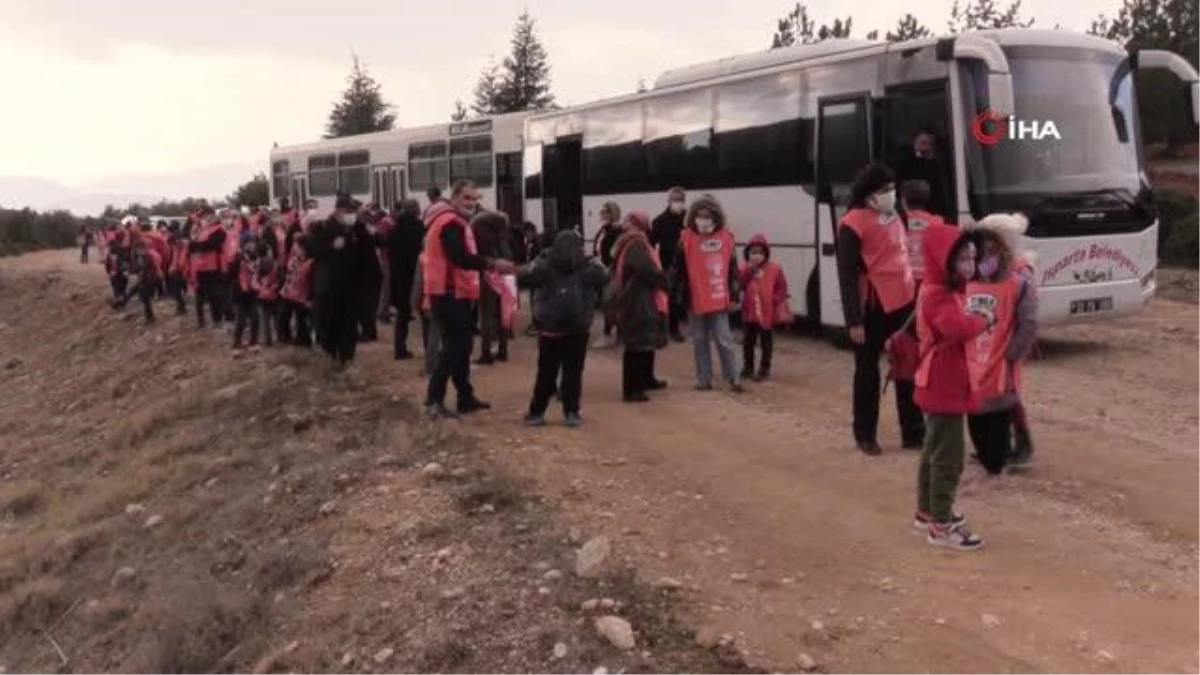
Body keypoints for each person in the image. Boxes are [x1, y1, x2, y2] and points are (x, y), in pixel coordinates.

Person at [913, 223, 994, 551]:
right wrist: (984, 320)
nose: (969, 266)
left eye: (972, 259)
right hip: (943, 383)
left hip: (938, 381)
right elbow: (958, 328)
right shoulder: (938, 295)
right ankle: (941, 524)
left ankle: (928, 510)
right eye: (962, 259)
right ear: (943, 260)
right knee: (948, 456)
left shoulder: (943, 290)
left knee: (934, 449)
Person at [836, 163, 924, 456]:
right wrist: (854, 321)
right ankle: (865, 434)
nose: (890, 193)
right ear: (869, 194)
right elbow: (846, 275)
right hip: (872, 305)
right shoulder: (851, 223)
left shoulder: (894, 211)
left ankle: (913, 432)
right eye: (883, 189)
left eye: (891, 188)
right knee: (867, 372)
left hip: (904, 299)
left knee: (907, 367)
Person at [423, 180, 516, 418]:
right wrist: (492, 263)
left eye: (475, 200)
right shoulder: (450, 223)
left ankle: (464, 397)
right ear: (453, 197)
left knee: (461, 348)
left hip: (451, 292)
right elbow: (459, 257)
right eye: (467, 198)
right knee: (455, 348)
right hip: (448, 293)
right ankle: (434, 400)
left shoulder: (449, 221)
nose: (472, 204)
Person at [964, 215, 1038, 478]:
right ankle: (1003, 446)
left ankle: (1019, 443)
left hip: (1004, 351)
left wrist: (1011, 353)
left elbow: (1027, 320)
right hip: (987, 352)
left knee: (1008, 395)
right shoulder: (981, 272)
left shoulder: (1020, 273)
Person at [520, 229, 610, 427]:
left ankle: (536, 413)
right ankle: (571, 412)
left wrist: (539, 258)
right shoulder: (588, 267)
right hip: (577, 329)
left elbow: (524, 276)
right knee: (573, 373)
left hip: (550, 330)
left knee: (545, 373)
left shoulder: (546, 266)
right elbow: (605, 277)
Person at [672, 194, 744, 393]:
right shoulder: (685, 238)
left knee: (724, 339)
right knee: (700, 340)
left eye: (707, 215)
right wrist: (675, 293)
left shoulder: (726, 238)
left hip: (719, 298)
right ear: (694, 216)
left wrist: (736, 296)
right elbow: (677, 269)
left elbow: (733, 270)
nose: (703, 219)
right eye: (700, 215)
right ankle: (704, 379)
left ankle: (733, 378)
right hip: (694, 299)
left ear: (715, 216)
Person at [609, 211, 670, 403]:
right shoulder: (635, 243)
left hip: (637, 297)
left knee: (645, 340)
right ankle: (632, 389)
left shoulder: (629, 241)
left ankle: (646, 379)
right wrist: (664, 281)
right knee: (636, 343)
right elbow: (644, 268)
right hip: (637, 298)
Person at [308, 193, 365, 368]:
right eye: (349, 210)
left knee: (349, 323)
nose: (352, 214)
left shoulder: (354, 228)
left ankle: (347, 356)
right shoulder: (323, 227)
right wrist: (331, 247)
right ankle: (330, 354)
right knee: (330, 322)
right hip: (330, 286)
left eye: (354, 211)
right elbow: (312, 250)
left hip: (350, 285)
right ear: (339, 210)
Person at [738, 234, 789, 382]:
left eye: (760, 252)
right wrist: (749, 270)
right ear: (747, 253)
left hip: (767, 313)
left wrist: (775, 302)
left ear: (766, 254)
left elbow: (781, 289)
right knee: (748, 342)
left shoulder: (775, 269)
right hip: (749, 313)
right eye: (753, 252)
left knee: (766, 343)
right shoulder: (743, 268)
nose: (757, 256)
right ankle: (748, 368)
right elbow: (739, 284)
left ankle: (764, 369)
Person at [470, 210, 515, 364]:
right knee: (503, 313)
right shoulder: (503, 232)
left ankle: (486, 352)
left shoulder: (478, 231)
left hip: (489, 274)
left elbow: (474, 255)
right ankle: (503, 350)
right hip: (506, 274)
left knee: (486, 315)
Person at [388, 199, 426, 360]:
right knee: (425, 313)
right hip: (416, 275)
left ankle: (399, 349)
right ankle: (429, 349)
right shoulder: (420, 228)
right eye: (418, 207)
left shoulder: (394, 229)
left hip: (399, 277)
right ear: (415, 210)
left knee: (402, 315)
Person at [650, 187, 688, 342]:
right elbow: (652, 244)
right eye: (675, 199)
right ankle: (670, 330)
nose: (678, 202)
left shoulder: (688, 219)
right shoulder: (659, 221)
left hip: (686, 263)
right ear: (669, 201)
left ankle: (677, 324)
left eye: (680, 199)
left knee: (681, 299)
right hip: (668, 265)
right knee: (668, 299)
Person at [895, 129, 951, 221]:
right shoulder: (906, 163)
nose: (926, 147)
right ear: (914, 143)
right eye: (923, 143)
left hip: (936, 210)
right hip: (913, 208)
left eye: (930, 143)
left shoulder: (940, 163)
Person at [900, 180, 945, 290]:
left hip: (905, 281)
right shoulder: (938, 222)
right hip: (929, 280)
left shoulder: (897, 222)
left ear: (903, 201)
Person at [188, 209, 229, 329]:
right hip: (201, 267)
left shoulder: (220, 230)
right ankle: (201, 321)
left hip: (214, 267)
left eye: (209, 216)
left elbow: (211, 245)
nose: (206, 219)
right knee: (200, 294)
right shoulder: (201, 231)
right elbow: (192, 247)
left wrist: (196, 245)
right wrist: (195, 244)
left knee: (215, 296)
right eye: (204, 217)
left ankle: (217, 320)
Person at [592, 201, 623, 348]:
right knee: (607, 304)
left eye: (606, 211)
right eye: (602, 211)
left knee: (609, 303)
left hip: (611, 271)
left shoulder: (617, 231)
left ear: (613, 213)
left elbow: (616, 252)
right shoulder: (603, 230)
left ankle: (609, 334)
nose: (602, 214)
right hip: (601, 270)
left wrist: (610, 267)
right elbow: (598, 249)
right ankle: (614, 333)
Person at [351, 206, 384, 343]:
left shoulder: (355, 231)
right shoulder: (369, 230)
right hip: (373, 272)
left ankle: (367, 331)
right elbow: (382, 242)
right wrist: (376, 233)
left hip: (362, 274)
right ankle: (371, 331)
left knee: (363, 305)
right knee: (371, 303)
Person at [278, 233, 314, 348]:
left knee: (301, 320)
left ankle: (303, 341)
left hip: (301, 295)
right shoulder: (294, 259)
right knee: (283, 316)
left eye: (296, 246)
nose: (294, 248)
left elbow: (311, 281)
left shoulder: (311, 262)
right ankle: (285, 338)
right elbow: (288, 273)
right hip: (288, 292)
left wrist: (310, 298)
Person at [230, 240, 261, 350]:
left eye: (253, 246)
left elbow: (258, 274)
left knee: (255, 318)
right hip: (240, 294)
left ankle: (253, 340)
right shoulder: (238, 260)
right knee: (241, 320)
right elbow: (231, 273)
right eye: (249, 247)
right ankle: (237, 342)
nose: (251, 249)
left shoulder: (256, 260)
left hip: (252, 293)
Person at [126, 237, 163, 325]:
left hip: (148, 281)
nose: (139, 251)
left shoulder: (147, 257)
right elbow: (136, 268)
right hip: (143, 280)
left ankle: (150, 318)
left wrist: (142, 276)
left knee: (145, 300)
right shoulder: (140, 257)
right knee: (143, 299)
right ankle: (149, 318)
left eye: (140, 249)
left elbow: (150, 269)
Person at [254, 240, 280, 347]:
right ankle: (279, 337)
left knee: (265, 318)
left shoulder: (258, 264)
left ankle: (268, 340)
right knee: (276, 317)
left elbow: (256, 279)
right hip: (274, 293)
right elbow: (280, 277)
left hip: (262, 294)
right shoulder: (274, 262)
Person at [374, 204, 395, 323]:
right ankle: (382, 312)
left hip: (385, 257)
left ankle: (384, 309)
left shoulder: (384, 223)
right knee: (385, 287)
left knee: (386, 286)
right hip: (385, 258)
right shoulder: (386, 223)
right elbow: (382, 240)